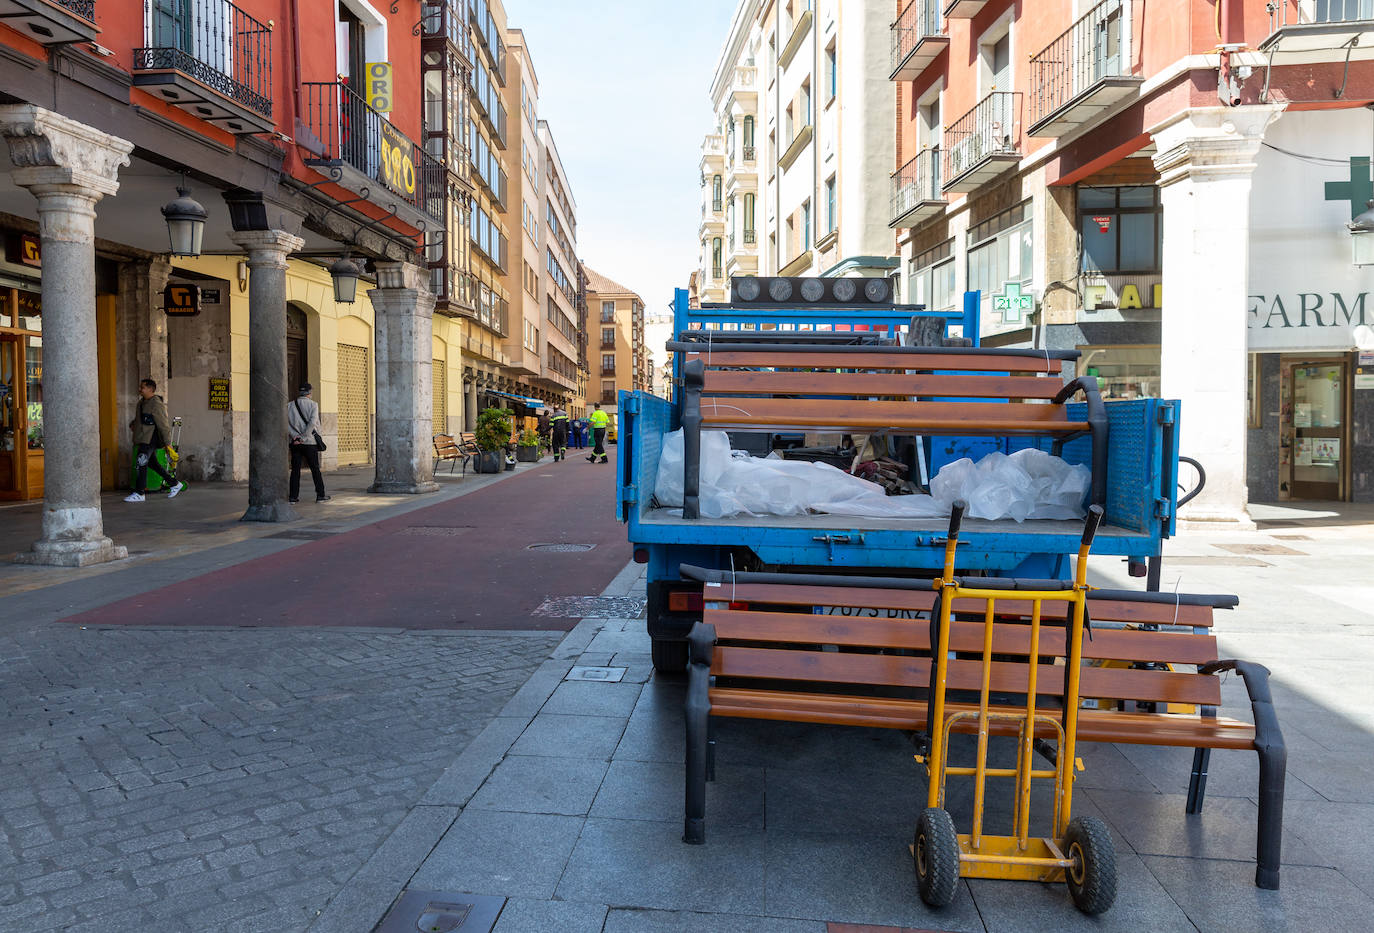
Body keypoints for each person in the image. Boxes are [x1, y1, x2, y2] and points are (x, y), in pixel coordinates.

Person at [126, 378, 185, 502]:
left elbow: (163, 424)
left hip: (151, 438)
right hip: (143, 438)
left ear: (151, 389)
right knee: (152, 464)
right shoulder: (141, 403)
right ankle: (174, 483)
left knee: (141, 462)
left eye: (143, 387)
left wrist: (168, 443)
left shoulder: (156, 403)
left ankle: (140, 492)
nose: (140, 389)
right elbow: (140, 419)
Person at [287, 383, 331, 503]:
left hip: (295, 443)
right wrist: (304, 437)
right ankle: (320, 495)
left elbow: (285, 424)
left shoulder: (289, 405)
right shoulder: (313, 405)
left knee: (295, 470)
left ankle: (293, 497)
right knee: (315, 469)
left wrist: (296, 437)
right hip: (310, 442)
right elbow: (312, 423)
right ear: (309, 393)